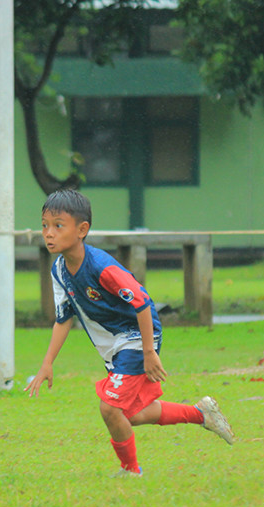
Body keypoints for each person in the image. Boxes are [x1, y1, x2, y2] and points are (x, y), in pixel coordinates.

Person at [26, 189, 234, 477]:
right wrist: (47, 363)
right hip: (116, 344)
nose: (48, 233)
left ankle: (130, 470)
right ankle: (200, 414)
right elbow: (63, 319)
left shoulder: (101, 267)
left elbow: (142, 303)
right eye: (44, 225)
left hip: (137, 338)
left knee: (110, 408)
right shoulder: (59, 270)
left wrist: (149, 352)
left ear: (82, 230)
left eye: (58, 225)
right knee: (130, 414)